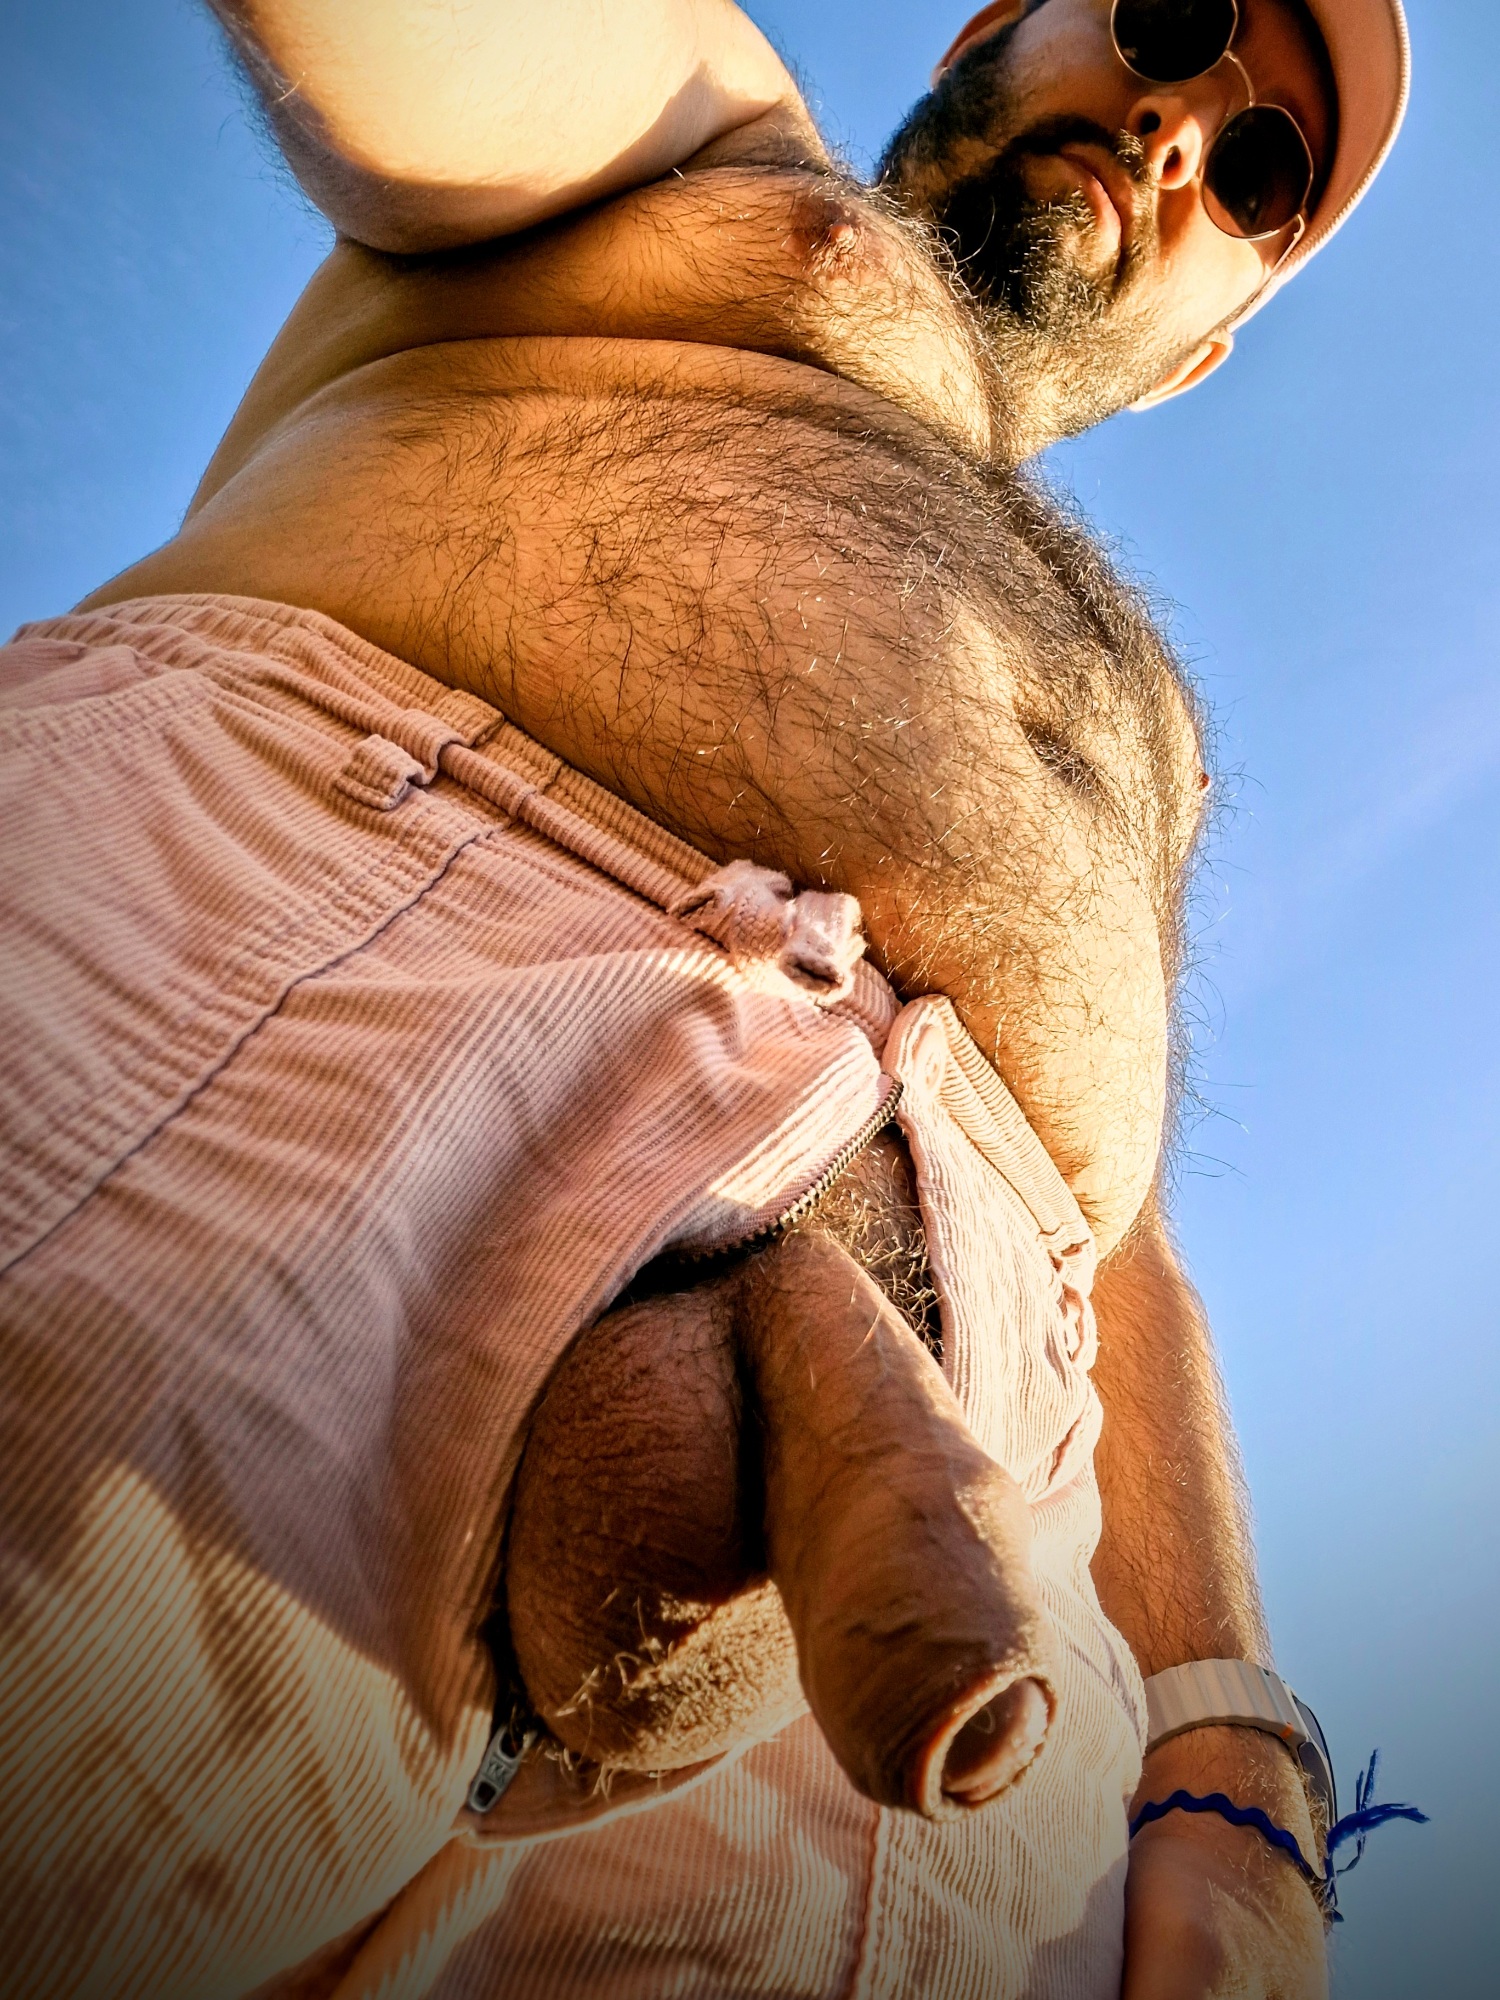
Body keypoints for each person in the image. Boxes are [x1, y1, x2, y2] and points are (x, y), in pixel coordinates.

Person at [0, 3, 1408, 1997]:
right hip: (300, 1033)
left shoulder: (1140, 716)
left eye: (1261, 171)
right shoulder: (709, 153)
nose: (1184, 127)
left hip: (942, 1684)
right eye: (1169, 19)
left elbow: (1129, 1250)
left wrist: (1231, 1760)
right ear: (999, 25)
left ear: (1203, 349)